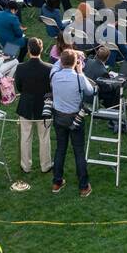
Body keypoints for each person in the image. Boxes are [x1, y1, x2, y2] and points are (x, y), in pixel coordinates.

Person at [49, 48, 95, 195]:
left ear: (61, 62)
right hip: (75, 117)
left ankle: (57, 182)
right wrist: (80, 71)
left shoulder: (54, 75)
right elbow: (91, 91)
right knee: (79, 151)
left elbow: (57, 65)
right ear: (76, 63)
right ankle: (83, 186)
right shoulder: (79, 78)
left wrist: (70, 56)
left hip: (59, 117)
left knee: (60, 149)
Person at [14, 38, 52, 174]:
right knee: (44, 138)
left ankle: (26, 166)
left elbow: (18, 87)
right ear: (41, 50)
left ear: (29, 50)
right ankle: (46, 165)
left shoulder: (21, 67)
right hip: (44, 108)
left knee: (25, 137)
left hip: (26, 106)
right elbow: (50, 88)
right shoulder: (49, 68)